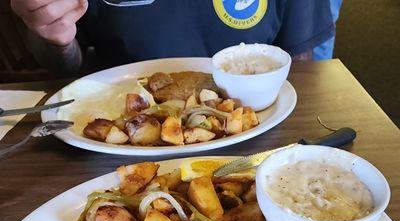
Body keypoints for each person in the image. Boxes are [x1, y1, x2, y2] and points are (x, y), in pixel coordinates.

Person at [11, 0, 335, 76]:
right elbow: (63, 63)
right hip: (118, 134)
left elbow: (300, 61)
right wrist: (56, 36)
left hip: (254, 133)